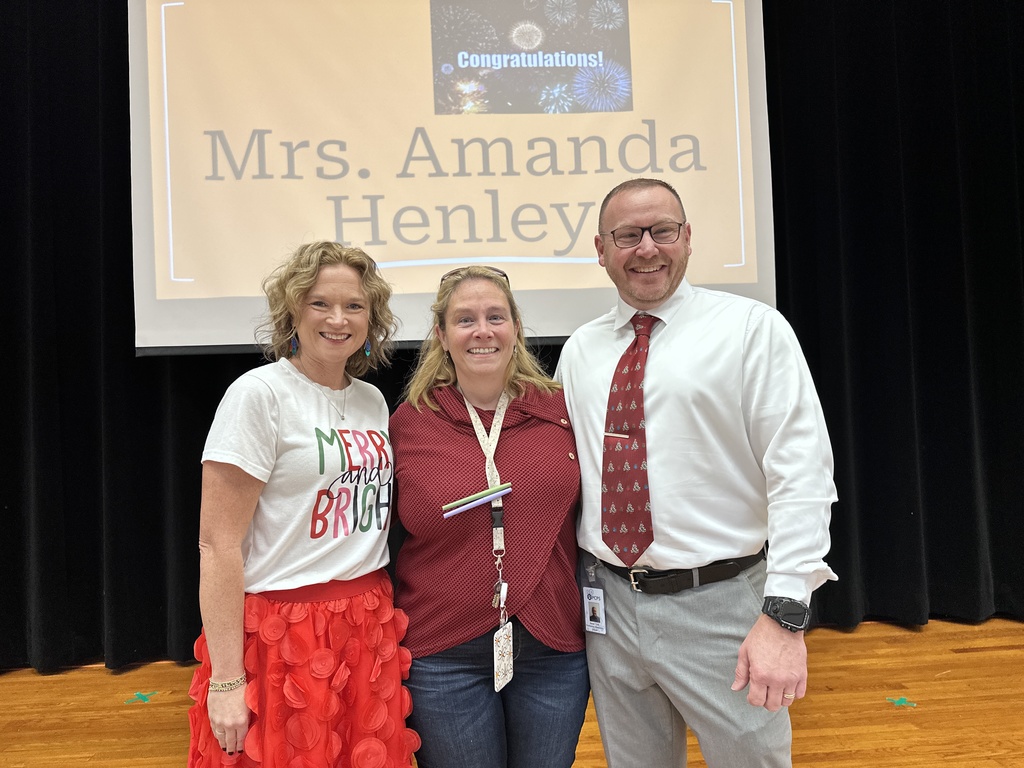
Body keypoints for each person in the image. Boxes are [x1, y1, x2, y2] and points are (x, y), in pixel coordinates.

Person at [557, 178, 838, 768]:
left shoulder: (752, 331)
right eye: (628, 235)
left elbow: (802, 476)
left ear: (687, 238)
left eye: (663, 231)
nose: (647, 248)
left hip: (723, 610)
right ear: (601, 249)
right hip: (608, 607)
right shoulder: (580, 349)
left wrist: (785, 616)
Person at [187, 242, 420, 767]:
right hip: (283, 633)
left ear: (372, 318)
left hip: (367, 625)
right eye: (320, 303)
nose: (338, 319)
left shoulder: (372, 400)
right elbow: (217, 544)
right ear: (293, 310)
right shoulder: (259, 395)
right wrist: (226, 678)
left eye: (354, 306)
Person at [388, 265, 589, 768]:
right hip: (443, 652)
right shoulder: (408, 424)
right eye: (465, 319)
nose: (482, 331)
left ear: (516, 327)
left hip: (552, 648)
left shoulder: (561, 412)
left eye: (496, 316)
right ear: (441, 334)